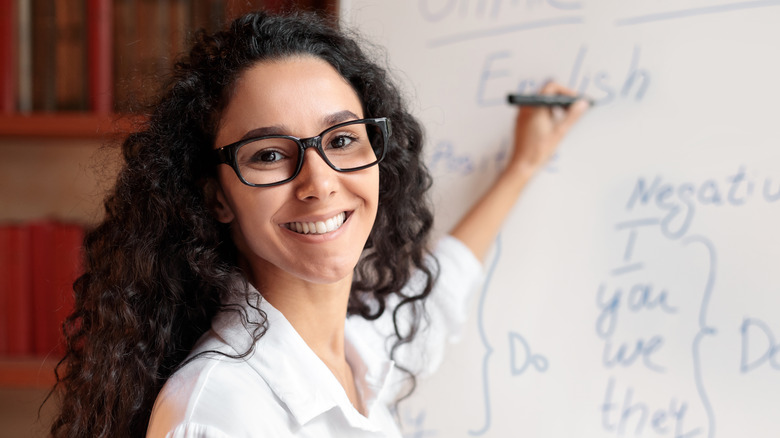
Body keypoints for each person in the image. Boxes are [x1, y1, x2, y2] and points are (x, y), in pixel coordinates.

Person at [48, 10, 587, 438]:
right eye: (268, 155)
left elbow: (441, 293)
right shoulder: (221, 411)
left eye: (343, 139)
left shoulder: (361, 349)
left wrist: (522, 165)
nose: (320, 183)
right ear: (216, 197)